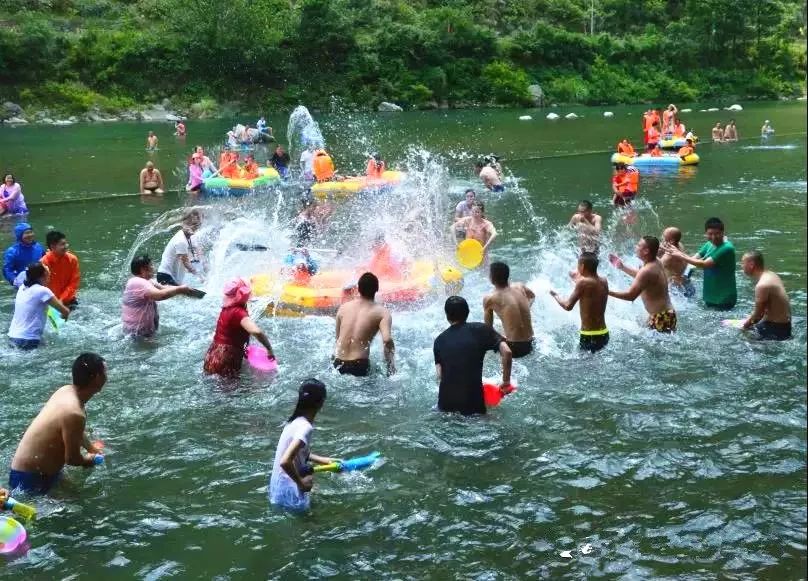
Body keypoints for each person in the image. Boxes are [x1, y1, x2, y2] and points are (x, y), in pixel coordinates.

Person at [9, 353, 106, 494]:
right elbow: (72, 459)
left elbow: (74, 431)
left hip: (35, 471)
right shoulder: (74, 413)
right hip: (30, 478)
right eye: (105, 372)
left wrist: (91, 448)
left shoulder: (66, 391)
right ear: (97, 378)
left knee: (75, 497)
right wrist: (89, 460)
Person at [433, 296, 512, 415]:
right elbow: (507, 352)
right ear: (468, 312)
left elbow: (440, 375)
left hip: (444, 406)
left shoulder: (439, 340)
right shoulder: (481, 329)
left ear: (447, 316)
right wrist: (506, 382)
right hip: (472, 406)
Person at [269, 378, 336, 512]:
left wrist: (324, 461)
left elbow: (297, 453)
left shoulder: (293, 422)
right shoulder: (305, 428)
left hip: (278, 490)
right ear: (321, 403)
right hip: (291, 495)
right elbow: (285, 461)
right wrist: (301, 484)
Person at [203, 278, 276, 377]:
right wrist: (269, 349)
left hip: (213, 354)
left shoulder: (226, 309)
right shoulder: (238, 313)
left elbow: (232, 334)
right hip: (227, 358)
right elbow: (257, 332)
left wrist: (245, 349)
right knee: (229, 389)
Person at [662, 217, 737, 310]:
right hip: (710, 297)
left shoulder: (726, 248)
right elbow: (692, 260)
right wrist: (684, 276)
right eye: (710, 234)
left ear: (723, 232)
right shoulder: (709, 244)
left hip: (724, 299)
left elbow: (703, 264)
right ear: (705, 233)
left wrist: (679, 254)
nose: (713, 237)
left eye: (717, 234)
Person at [608, 236, 677, 333]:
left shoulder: (647, 270)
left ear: (646, 251)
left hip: (661, 317)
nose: (636, 247)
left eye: (639, 245)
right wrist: (622, 267)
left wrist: (606, 291)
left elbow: (630, 296)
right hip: (667, 314)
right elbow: (643, 278)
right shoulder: (656, 261)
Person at [333, 272, 395, 377]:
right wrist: (390, 366)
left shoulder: (343, 308)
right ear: (376, 290)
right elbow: (387, 339)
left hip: (338, 363)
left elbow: (338, 340)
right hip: (359, 365)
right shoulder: (382, 312)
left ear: (358, 289)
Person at [549, 252, 610, 352]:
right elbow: (591, 290)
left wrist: (556, 296)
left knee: (586, 366)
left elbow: (568, 306)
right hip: (604, 333)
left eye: (578, 265)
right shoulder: (604, 281)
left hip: (590, 336)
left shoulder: (583, 283)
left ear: (582, 266)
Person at [122, 255, 193, 338]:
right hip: (137, 335)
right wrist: (180, 290)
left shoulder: (147, 281)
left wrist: (184, 290)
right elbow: (160, 295)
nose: (153, 268)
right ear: (143, 269)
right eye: (151, 265)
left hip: (142, 333)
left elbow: (164, 288)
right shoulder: (138, 282)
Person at [8, 263, 70, 350]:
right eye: (47, 269)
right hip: (28, 340)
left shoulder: (22, 287)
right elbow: (65, 311)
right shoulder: (43, 291)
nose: (49, 270)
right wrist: (63, 319)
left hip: (12, 337)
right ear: (44, 274)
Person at [483, 262, 535, 358]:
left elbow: (488, 330)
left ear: (492, 278)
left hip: (513, 348)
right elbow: (532, 296)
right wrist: (526, 307)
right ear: (507, 275)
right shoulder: (520, 286)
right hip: (531, 343)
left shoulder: (490, 298)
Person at [740, 250, 792, 340]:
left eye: (743, 263)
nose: (742, 266)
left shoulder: (762, 285)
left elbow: (758, 315)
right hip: (786, 326)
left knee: (741, 337)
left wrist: (744, 327)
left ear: (751, 264)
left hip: (775, 330)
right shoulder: (772, 275)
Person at [156, 211, 204, 286]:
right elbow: (186, 263)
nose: (194, 227)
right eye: (191, 224)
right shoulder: (181, 241)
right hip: (165, 276)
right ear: (183, 224)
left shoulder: (187, 237)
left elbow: (194, 254)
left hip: (168, 276)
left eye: (197, 224)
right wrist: (199, 276)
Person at [41, 230, 80, 309]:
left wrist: (62, 299)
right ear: (52, 247)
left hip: (68, 299)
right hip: (50, 301)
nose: (66, 246)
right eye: (62, 244)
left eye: (66, 243)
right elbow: (41, 286)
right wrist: (56, 301)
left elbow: (74, 283)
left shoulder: (72, 259)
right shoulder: (43, 262)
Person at [3, 222, 45, 287]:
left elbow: (46, 262)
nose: (30, 235)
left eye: (31, 232)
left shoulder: (38, 247)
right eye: (27, 233)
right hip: (23, 284)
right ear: (19, 236)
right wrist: (14, 280)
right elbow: (7, 270)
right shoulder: (12, 251)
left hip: (40, 282)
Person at [659, 227, 695, 298]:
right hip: (686, 284)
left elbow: (653, 268)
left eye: (664, 236)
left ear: (671, 241)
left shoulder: (667, 258)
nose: (662, 237)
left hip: (675, 290)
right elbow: (667, 248)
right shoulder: (680, 245)